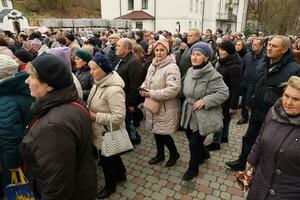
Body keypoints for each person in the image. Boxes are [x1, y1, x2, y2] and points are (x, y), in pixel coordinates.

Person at [20, 53, 96, 200]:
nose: (27, 80)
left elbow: (57, 187)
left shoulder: (53, 127)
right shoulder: (71, 102)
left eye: (32, 76)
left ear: (49, 85)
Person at [226, 35, 300, 171]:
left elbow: (293, 95)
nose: (269, 48)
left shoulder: (294, 69)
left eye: (274, 46)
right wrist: (248, 100)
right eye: (269, 45)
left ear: (284, 50)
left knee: (269, 143)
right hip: (256, 110)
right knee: (249, 138)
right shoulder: (263, 62)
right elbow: (254, 82)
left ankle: (261, 168)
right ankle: (243, 162)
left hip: (275, 115)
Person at [180, 42, 229, 181]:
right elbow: (183, 88)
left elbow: (224, 93)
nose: (194, 57)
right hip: (188, 111)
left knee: (194, 143)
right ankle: (205, 153)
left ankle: (193, 169)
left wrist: (205, 101)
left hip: (202, 115)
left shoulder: (212, 75)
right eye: (193, 54)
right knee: (190, 136)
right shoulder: (190, 70)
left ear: (206, 57)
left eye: (198, 55)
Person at [246, 76, 300, 200]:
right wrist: (251, 161)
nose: (288, 102)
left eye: (296, 99)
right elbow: (260, 138)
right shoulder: (273, 112)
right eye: (286, 96)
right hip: (260, 186)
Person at [87, 53, 127, 199]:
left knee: (106, 161)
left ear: (104, 69)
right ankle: (121, 174)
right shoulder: (98, 82)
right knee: (112, 155)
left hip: (107, 132)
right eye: (90, 68)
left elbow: (119, 117)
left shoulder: (113, 90)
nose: (91, 72)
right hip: (101, 130)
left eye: (94, 69)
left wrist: (94, 116)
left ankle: (110, 186)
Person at [140, 39, 181, 167]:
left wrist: (151, 93)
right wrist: (142, 89)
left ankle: (174, 154)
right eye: (157, 50)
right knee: (156, 132)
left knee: (164, 134)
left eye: (162, 50)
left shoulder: (172, 67)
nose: (158, 53)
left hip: (165, 108)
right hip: (153, 106)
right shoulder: (153, 64)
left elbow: (173, 90)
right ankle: (160, 154)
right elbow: (147, 81)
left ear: (167, 51)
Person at [0, 55, 33, 194]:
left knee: (13, 190)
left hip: (10, 162)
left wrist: (13, 165)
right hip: (26, 153)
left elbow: (11, 140)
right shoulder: (22, 87)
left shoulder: (5, 102)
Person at [206, 41, 241, 151]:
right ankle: (224, 137)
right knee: (225, 119)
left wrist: (233, 105)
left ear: (229, 51)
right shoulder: (223, 61)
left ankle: (216, 143)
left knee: (219, 119)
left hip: (226, 98)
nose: (220, 51)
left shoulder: (234, 65)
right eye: (219, 49)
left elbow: (236, 87)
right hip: (222, 96)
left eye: (223, 50)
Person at [115, 38, 145, 144]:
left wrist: (131, 103)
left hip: (128, 99)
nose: (116, 47)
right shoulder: (123, 59)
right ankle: (130, 139)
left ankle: (131, 140)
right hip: (122, 97)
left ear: (127, 49)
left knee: (128, 121)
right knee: (126, 121)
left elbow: (135, 85)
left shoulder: (133, 62)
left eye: (119, 46)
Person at [237, 37, 265, 125]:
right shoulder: (247, 55)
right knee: (245, 101)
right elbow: (242, 68)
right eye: (253, 44)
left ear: (262, 46)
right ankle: (244, 117)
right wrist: (241, 80)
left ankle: (254, 119)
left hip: (257, 85)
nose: (253, 46)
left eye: (256, 45)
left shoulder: (265, 58)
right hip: (246, 83)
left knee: (255, 103)